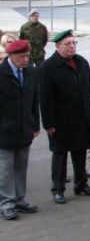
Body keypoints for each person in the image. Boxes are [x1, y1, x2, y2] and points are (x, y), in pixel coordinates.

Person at [39, 30, 90, 204]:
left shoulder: (82, 63)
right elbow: (45, 98)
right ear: (58, 46)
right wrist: (49, 123)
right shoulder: (48, 68)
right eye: (68, 44)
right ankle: (58, 189)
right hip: (61, 121)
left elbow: (88, 93)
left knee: (80, 152)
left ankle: (81, 185)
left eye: (74, 43)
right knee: (60, 155)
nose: (72, 46)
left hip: (81, 118)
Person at [0, 40, 40, 220]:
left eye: (27, 55)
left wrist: (35, 124)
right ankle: (6, 203)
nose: (25, 60)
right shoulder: (2, 74)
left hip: (25, 128)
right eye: (21, 57)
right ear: (11, 56)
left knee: (21, 166)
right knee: (5, 169)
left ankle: (19, 199)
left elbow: (34, 100)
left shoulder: (31, 72)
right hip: (4, 131)